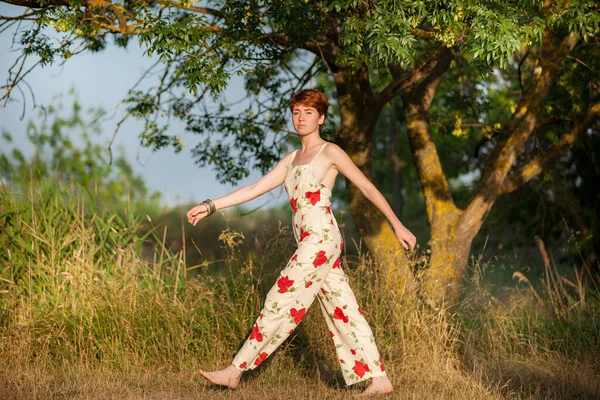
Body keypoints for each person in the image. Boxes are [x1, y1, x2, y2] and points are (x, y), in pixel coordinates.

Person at [186, 88, 416, 396]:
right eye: (296, 112)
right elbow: (255, 188)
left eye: (308, 113)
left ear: (321, 118)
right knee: (343, 308)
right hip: (311, 240)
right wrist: (211, 205)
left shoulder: (330, 152)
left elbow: (366, 186)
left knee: (280, 297)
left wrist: (397, 225)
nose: (301, 118)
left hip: (321, 239)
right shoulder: (292, 159)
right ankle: (379, 379)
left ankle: (235, 370)